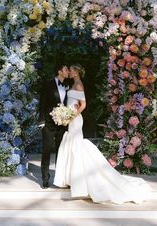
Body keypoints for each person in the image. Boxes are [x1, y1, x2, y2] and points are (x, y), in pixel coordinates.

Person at [54, 64, 151, 204]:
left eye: (71, 70)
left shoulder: (79, 84)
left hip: (75, 119)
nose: (69, 71)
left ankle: (78, 180)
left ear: (76, 72)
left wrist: (71, 115)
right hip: (71, 118)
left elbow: (83, 104)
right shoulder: (73, 83)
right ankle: (71, 179)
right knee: (71, 145)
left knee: (76, 145)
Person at [38, 63, 69, 188]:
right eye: (66, 69)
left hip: (62, 125)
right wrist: (41, 121)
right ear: (59, 71)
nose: (68, 71)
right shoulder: (48, 84)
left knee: (61, 151)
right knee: (46, 150)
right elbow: (42, 103)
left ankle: (59, 177)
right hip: (48, 124)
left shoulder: (68, 86)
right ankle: (45, 178)